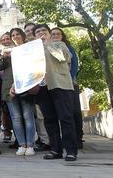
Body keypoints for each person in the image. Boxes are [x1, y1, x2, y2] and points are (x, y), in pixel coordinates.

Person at [34, 24, 78, 161]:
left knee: (65, 118)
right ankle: (55, 150)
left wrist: (46, 44)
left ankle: (71, 150)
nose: (41, 33)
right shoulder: (32, 51)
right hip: (42, 88)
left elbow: (63, 57)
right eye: (38, 32)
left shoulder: (58, 45)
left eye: (44, 31)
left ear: (48, 33)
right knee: (49, 119)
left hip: (60, 85)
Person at [0, 28, 37, 156]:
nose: (15, 37)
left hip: (26, 86)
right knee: (16, 118)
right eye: (13, 35)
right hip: (9, 88)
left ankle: (30, 144)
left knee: (28, 116)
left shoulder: (29, 49)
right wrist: (4, 57)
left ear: (22, 36)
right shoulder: (8, 50)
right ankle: (22, 144)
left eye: (17, 34)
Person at [51, 27, 84, 149]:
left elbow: (74, 65)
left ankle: (78, 138)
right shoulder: (49, 47)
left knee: (74, 111)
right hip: (56, 83)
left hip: (70, 83)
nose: (55, 35)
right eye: (53, 33)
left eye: (58, 33)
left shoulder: (68, 48)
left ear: (62, 35)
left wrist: (69, 78)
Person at [24, 21, 51, 150]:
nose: (29, 33)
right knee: (39, 115)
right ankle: (44, 140)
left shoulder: (48, 45)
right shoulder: (27, 48)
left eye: (31, 30)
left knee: (48, 114)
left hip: (49, 84)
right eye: (27, 31)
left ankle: (51, 140)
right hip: (35, 85)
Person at [0, 32, 14, 144]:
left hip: (19, 83)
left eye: (7, 39)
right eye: (3, 40)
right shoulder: (1, 53)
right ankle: (9, 133)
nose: (5, 41)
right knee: (8, 113)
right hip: (6, 86)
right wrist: (3, 57)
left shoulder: (19, 49)